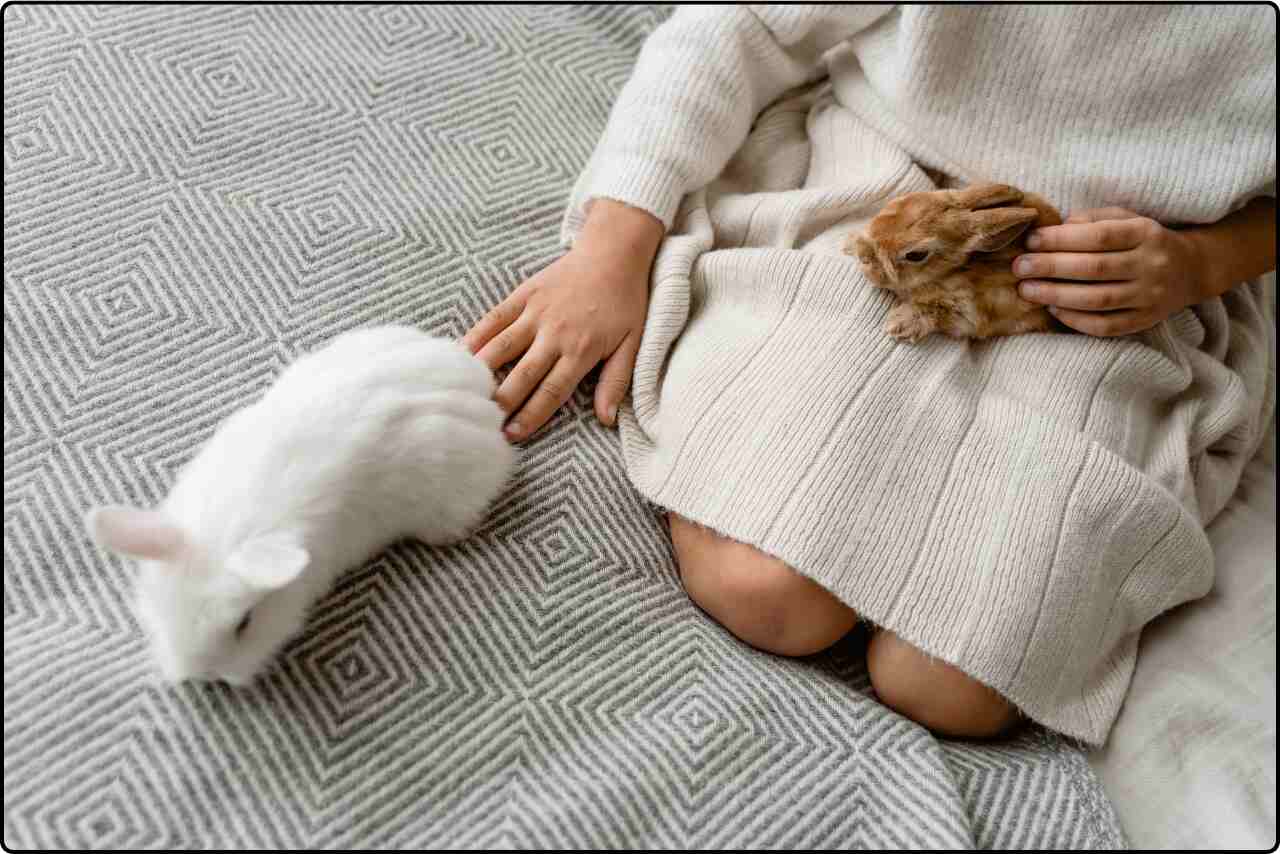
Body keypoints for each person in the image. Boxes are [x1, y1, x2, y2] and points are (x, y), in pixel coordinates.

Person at [463, 5, 1276, 742]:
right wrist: (613, 247)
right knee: (766, 592)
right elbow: (737, 25)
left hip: (1127, 278)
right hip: (885, 197)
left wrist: (1207, 261)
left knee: (951, 683)